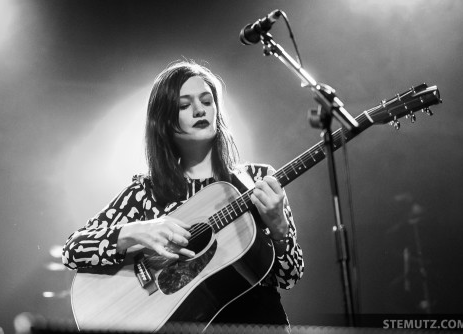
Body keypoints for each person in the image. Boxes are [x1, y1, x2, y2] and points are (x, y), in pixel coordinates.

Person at [62, 60, 304, 329]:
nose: (199, 110)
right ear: (165, 119)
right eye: (184, 105)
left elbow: (290, 277)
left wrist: (279, 227)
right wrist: (137, 231)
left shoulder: (257, 179)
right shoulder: (146, 192)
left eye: (207, 101)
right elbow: (72, 250)